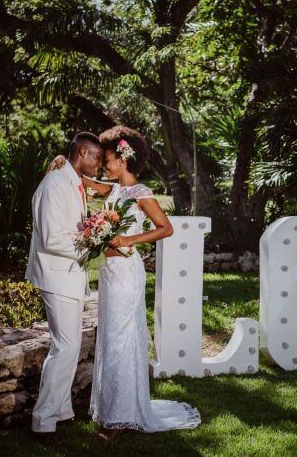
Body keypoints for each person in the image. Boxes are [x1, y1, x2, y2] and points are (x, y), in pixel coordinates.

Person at [49, 125, 201, 440]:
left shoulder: (141, 193)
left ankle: (118, 420)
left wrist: (129, 238)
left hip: (127, 273)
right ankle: (112, 408)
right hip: (109, 272)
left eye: (107, 158)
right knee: (110, 339)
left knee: (121, 340)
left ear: (124, 158)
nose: (103, 163)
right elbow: (86, 180)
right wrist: (64, 161)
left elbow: (166, 228)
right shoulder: (115, 189)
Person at [26, 132, 103, 436]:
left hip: (70, 276)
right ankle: (43, 423)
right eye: (97, 157)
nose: (99, 164)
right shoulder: (54, 184)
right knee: (65, 347)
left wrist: (92, 230)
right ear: (83, 152)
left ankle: (61, 411)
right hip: (56, 275)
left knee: (69, 348)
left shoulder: (71, 182)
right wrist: (93, 242)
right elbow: (50, 238)